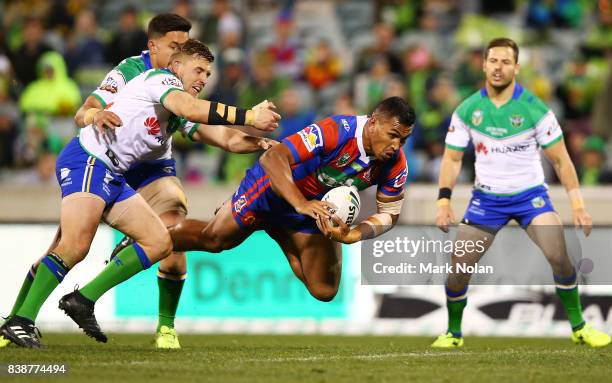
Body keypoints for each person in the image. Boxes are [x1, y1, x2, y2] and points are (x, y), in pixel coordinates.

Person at [0, 39, 280, 348]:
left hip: (114, 173)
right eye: (199, 70)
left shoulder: (175, 106)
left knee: (160, 242)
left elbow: (219, 133)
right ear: (176, 66)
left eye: (208, 74)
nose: (203, 79)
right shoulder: (161, 81)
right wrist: (250, 116)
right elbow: (191, 109)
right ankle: (20, 320)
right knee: (75, 245)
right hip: (89, 161)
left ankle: (82, 300)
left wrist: (260, 143)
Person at [431, 38, 610, 348]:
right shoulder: (467, 110)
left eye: (505, 62)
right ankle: (454, 333)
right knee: (458, 269)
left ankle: (579, 327)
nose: (498, 67)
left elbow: (562, 161)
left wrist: (578, 206)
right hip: (486, 200)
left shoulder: (535, 110)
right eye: (493, 61)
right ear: (484, 64)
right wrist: (444, 200)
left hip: (531, 198)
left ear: (516, 67)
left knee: (559, 256)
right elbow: (452, 158)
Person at [168, 97, 413, 305]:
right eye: (393, 135)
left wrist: (353, 235)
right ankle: (154, 237)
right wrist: (300, 203)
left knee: (324, 290)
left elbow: (390, 214)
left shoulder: (396, 164)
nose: (396, 145)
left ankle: (278, 227)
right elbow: (272, 157)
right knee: (215, 239)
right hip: (273, 188)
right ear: (372, 123)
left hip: (311, 207)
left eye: (402, 140)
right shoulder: (339, 129)